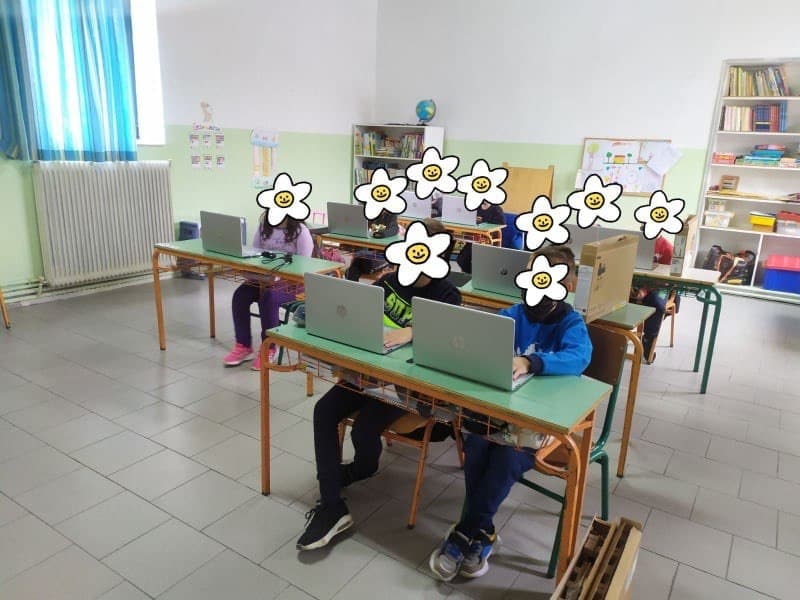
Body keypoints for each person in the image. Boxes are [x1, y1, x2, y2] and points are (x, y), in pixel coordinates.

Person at [429, 245, 592, 582]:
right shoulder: (512, 314)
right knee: (476, 444)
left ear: (567, 285)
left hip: (540, 422)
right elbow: (482, 343)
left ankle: (463, 533)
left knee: (506, 457)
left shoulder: (571, 322)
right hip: (501, 411)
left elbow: (580, 357)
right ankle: (483, 533)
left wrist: (532, 362)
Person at [297, 218, 461, 551]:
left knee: (364, 429)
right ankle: (332, 507)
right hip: (367, 374)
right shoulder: (388, 281)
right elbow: (358, 315)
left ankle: (362, 468)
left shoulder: (447, 294)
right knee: (323, 411)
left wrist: (413, 332)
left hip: (406, 387)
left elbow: (449, 341)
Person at [222, 212, 313, 370]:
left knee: (268, 298)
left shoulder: (301, 231)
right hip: (264, 278)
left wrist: (281, 277)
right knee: (240, 296)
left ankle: (269, 347)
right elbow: (255, 255)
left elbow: (304, 266)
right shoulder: (264, 227)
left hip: (292, 283)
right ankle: (244, 345)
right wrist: (249, 271)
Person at [629, 235, 674, 363]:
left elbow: (666, 279)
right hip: (637, 283)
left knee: (657, 305)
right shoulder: (634, 241)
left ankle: (648, 339)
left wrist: (645, 291)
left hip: (661, 286)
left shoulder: (667, 248)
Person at [345, 209, 400, 281]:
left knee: (356, 265)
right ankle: (352, 283)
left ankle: (352, 282)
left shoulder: (391, 215)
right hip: (368, 257)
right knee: (355, 266)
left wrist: (379, 234)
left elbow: (394, 229)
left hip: (382, 258)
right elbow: (365, 226)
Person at [455, 200, 506, 273]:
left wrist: (483, 220)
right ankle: (473, 274)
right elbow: (468, 218)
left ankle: (476, 274)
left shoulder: (497, 209)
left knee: (466, 260)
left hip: (488, 240)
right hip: (474, 239)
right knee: (461, 259)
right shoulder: (476, 207)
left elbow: (501, 224)